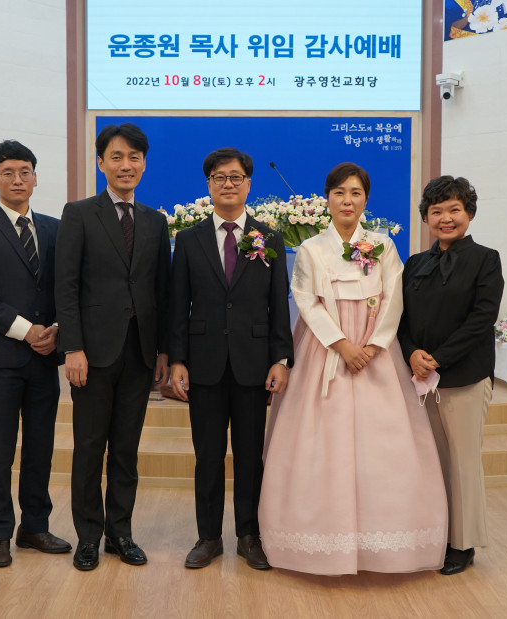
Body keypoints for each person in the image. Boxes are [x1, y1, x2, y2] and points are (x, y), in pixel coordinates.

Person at [259, 162, 448, 575]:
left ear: (366, 199)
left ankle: (383, 546)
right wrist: (342, 345)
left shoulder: (382, 244)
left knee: (383, 446)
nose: (347, 200)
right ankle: (318, 540)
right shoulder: (311, 248)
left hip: (376, 354)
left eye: (356, 193)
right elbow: (305, 300)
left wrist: (375, 345)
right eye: (339, 192)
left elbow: (395, 298)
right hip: (324, 351)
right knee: (320, 443)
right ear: (327, 199)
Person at [54, 123, 171, 571]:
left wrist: (162, 350)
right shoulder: (79, 213)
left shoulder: (155, 221)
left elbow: (161, 291)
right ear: (101, 162)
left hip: (139, 354)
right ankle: (88, 536)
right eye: (117, 157)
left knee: (126, 449)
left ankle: (120, 533)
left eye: (134, 157)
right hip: (92, 354)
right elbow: (66, 287)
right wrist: (73, 347)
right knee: (89, 447)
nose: (126, 165)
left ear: (144, 164)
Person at [169, 148, 293, 570]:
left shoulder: (269, 238)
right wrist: (178, 359)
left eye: (236, 177)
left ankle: (248, 535)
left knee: (249, 455)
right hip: (203, 363)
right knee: (207, 456)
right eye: (219, 177)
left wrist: (280, 358)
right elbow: (178, 304)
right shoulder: (189, 240)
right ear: (208, 184)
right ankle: (208, 537)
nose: (228, 184)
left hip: (253, 364)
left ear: (248, 184)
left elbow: (278, 304)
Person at [0, 140, 70, 568]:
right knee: (0, 450)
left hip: (45, 357)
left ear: (35, 178)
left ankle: (35, 527)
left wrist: (57, 330)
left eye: (25, 172)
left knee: (40, 448)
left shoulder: (55, 228)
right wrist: (27, 331)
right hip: (2, 358)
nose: (18, 179)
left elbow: (67, 288)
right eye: (8, 173)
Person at [398, 175, 503, 576]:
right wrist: (411, 352)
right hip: (420, 379)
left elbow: (482, 319)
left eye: (454, 210)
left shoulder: (486, 259)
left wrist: (438, 359)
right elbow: (399, 318)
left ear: (469, 213)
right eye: (436, 211)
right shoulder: (415, 264)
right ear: (426, 218)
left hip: (465, 377)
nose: (446, 218)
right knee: (432, 461)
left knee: (462, 462)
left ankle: (462, 543)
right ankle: (436, 534)